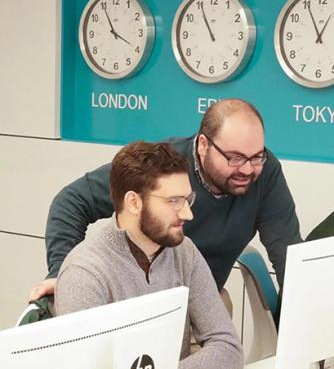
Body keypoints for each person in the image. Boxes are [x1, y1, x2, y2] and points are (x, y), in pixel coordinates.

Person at [31, 98, 302, 311]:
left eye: (256, 156)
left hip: (203, 301)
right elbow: (71, 201)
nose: (247, 168)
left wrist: (303, 318)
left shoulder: (265, 172)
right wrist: (61, 275)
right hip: (137, 306)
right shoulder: (160, 170)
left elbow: (287, 254)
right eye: (234, 158)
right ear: (203, 145)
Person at [54, 141, 244, 369]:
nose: (188, 213)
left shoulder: (185, 252)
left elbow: (228, 348)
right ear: (134, 202)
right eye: (173, 201)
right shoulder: (84, 274)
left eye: (187, 199)